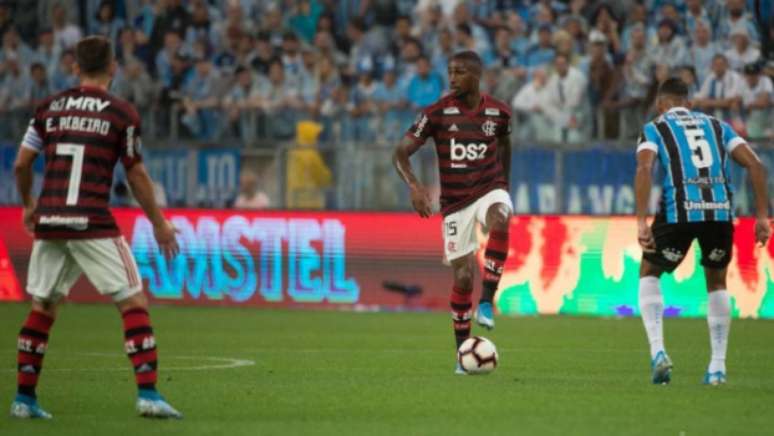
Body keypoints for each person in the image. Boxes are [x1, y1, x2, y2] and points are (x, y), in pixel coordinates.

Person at [10, 36, 182, 419]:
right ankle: (149, 394)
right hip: (92, 221)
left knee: (44, 307)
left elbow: (22, 164)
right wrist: (159, 223)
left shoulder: (48, 108)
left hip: (51, 219)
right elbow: (134, 172)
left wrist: (28, 205)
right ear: (113, 67)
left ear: (75, 67)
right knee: (133, 301)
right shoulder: (121, 113)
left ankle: (24, 400)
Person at [634, 78, 771, 386]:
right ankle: (718, 368)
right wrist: (763, 217)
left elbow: (644, 168)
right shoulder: (718, 125)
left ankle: (658, 352)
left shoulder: (655, 127)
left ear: (660, 105)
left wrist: (641, 220)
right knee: (717, 281)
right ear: (690, 103)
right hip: (720, 211)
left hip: (678, 210)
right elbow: (756, 165)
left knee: (649, 272)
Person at [393, 51, 512, 374]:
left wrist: (505, 185)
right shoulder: (436, 114)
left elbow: (504, 145)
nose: (452, 78)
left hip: (489, 189)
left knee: (501, 216)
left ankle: (486, 301)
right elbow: (401, 153)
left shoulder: (499, 112)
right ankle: (462, 352)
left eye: (459, 72)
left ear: (476, 75)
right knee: (462, 276)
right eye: (450, 72)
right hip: (455, 203)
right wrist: (415, 187)